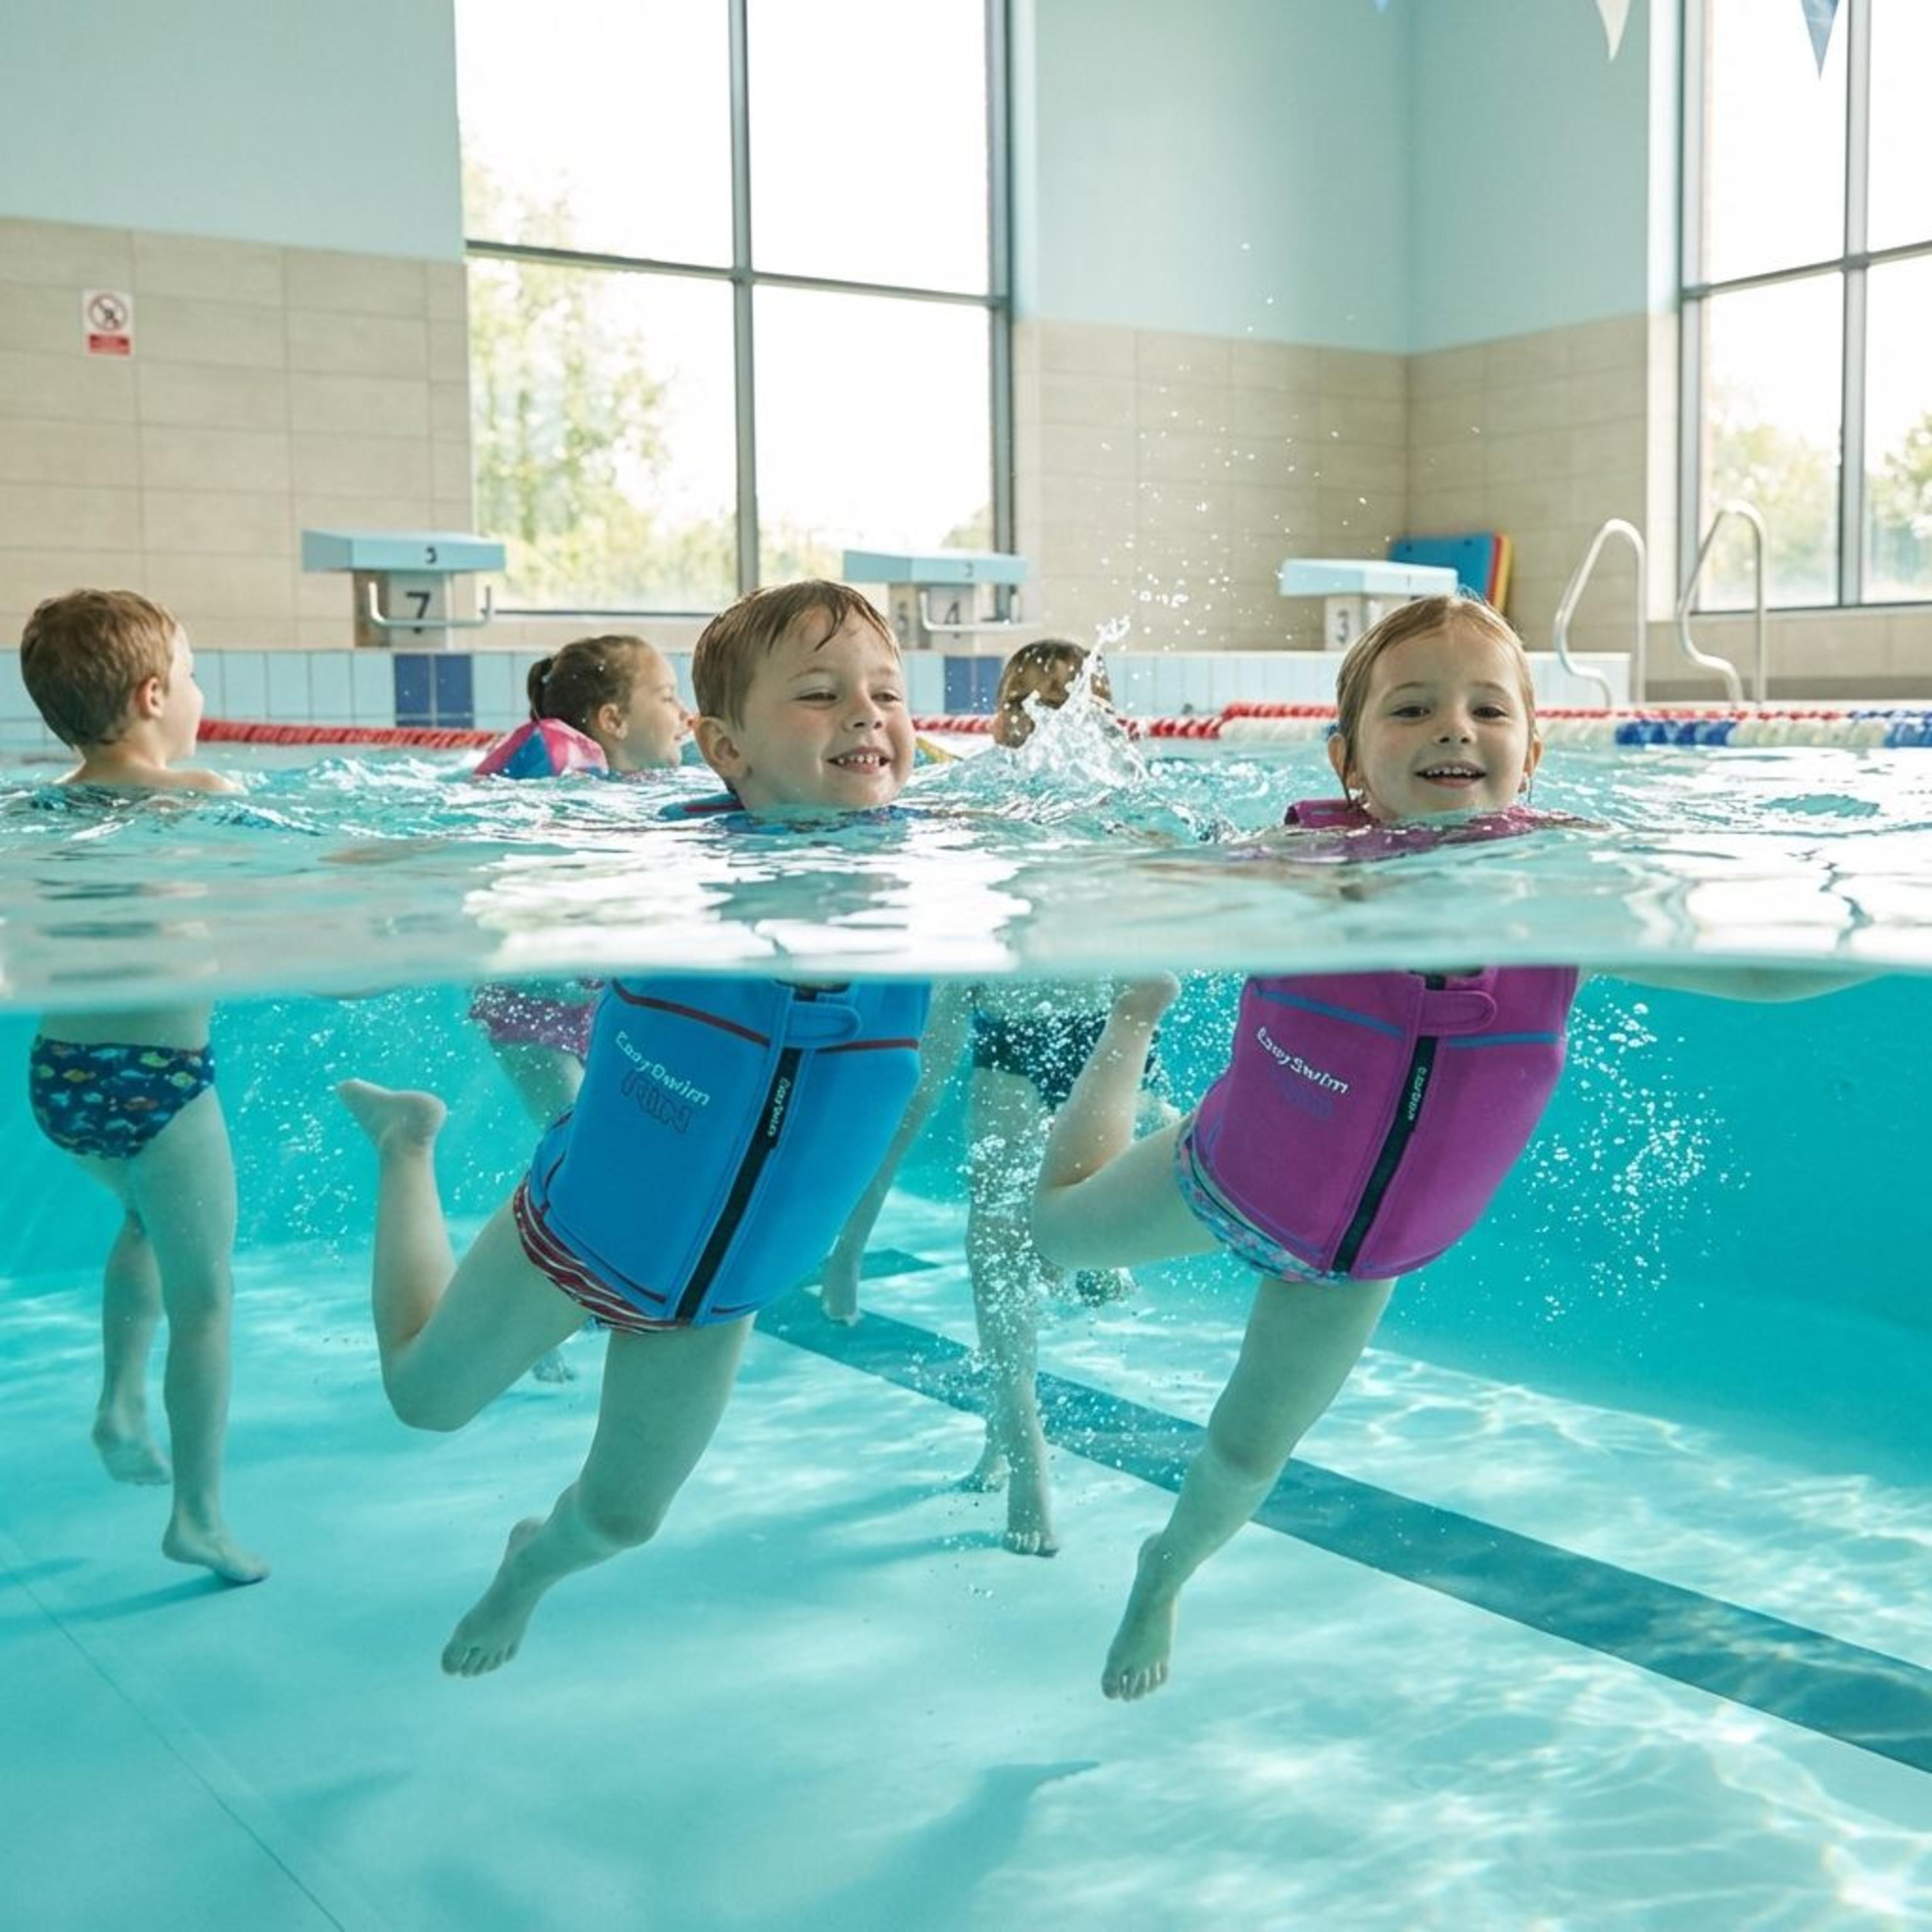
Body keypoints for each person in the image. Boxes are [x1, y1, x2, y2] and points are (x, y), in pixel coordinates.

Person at [1028, 592, 1868, 1702]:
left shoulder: (1565, 899)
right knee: (1052, 1232)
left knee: (1245, 1451)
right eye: (1412, 708)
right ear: (1347, 759)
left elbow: (1761, 969)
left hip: (1350, 1267)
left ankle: (1164, 1572)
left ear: (1533, 752)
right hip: (1221, 1173)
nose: (1453, 729)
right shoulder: (1302, 867)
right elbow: (1132, 879)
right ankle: (1136, 1019)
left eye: (1487, 709)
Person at [337, 580, 932, 1675]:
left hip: (713, 1299)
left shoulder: (941, 872)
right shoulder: (666, 860)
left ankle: (525, 1572)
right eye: (819, 693)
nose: (864, 712)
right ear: (725, 748)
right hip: (578, 1231)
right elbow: (462, 871)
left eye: (887, 693)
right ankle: (406, 1144)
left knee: (621, 1520)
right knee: (422, 1400)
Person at [823, 640, 1163, 1559]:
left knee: (1090, 1227)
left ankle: (1080, 1277)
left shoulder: (1129, 804)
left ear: (1101, 721)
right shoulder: (975, 800)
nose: (1036, 716)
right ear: (995, 714)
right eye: (1020, 699)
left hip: (1109, 1049)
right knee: (996, 1264)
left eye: (1060, 701)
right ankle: (1026, 1462)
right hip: (1012, 1033)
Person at [18, 589, 267, 1584]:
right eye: (194, 675)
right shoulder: (195, 794)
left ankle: (121, 1405)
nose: (201, 694)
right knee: (206, 1299)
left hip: (63, 1081)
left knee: (145, 1227)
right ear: (154, 694)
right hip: (163, 1083)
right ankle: (197, 1518)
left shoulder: (38, 811)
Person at [468, 633, 689, 1127]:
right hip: (533, 1002)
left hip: (603, 1005)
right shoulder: (562, 791)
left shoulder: (655, 792)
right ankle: (408, 1138)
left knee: (615, 1137)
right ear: (614, 720)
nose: (686, 715)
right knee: (570, 1138)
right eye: (668, 697)